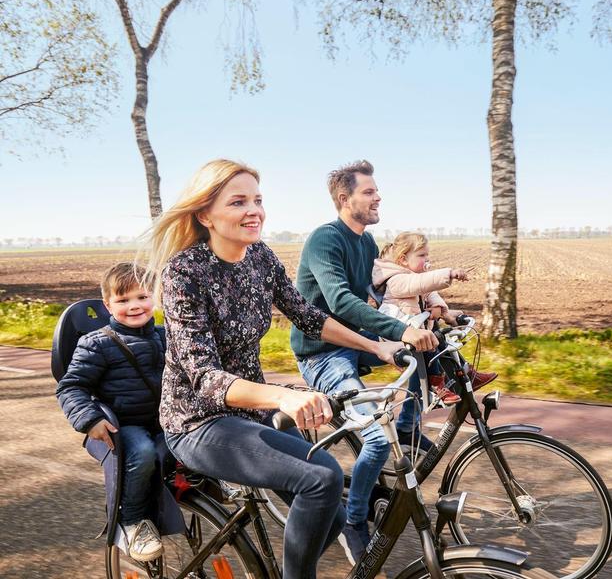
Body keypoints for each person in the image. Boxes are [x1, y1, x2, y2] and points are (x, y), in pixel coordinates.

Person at [143, 159, 402, 579]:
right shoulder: (184, 273)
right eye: (239, 201)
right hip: (198, 422)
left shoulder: (259, 257)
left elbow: (309, 316)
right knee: (321, 477)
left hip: (251, 412)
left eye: (258, 200)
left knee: (332, 514)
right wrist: (285, 395)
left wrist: (379, 345)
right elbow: (205, 377)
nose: (254, 211)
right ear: (205, 214)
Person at [290, 159, 439, 563]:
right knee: (375, 437)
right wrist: (395, 334)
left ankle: (399, 444)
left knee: (419, 364)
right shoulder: (326, 240)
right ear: (345, 198)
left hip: (356, 344)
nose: (378, 197)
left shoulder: (367, 243)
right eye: (369, 192)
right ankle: (354, 521)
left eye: (377, 191)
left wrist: (425, 317)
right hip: (323, 354)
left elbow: (378, 297)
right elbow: (340, 302)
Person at [56, 262, 166, 562]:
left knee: (200, 440)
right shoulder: (97, 343)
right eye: (123, 300)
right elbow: (71, 387)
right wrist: (89, 419)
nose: (134, 306)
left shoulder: (165, 336)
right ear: (108, 305)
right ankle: (132, 522)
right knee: (143, 453)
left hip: (166, 419)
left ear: (154, 297)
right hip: (124, 425)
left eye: (142, 297)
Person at [372, 231, 498, 407]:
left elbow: (429, 292)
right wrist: (450, 273)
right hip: (401, 333)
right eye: (422, 255)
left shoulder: (412, 277)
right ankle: (436, 386)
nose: (427, 259)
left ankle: (467, 373)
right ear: (403, 260)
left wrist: (440, 308)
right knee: (432, 344)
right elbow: (422, 284)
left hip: (418, 328)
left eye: (427, 254)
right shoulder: (397, 280)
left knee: (440, 342)